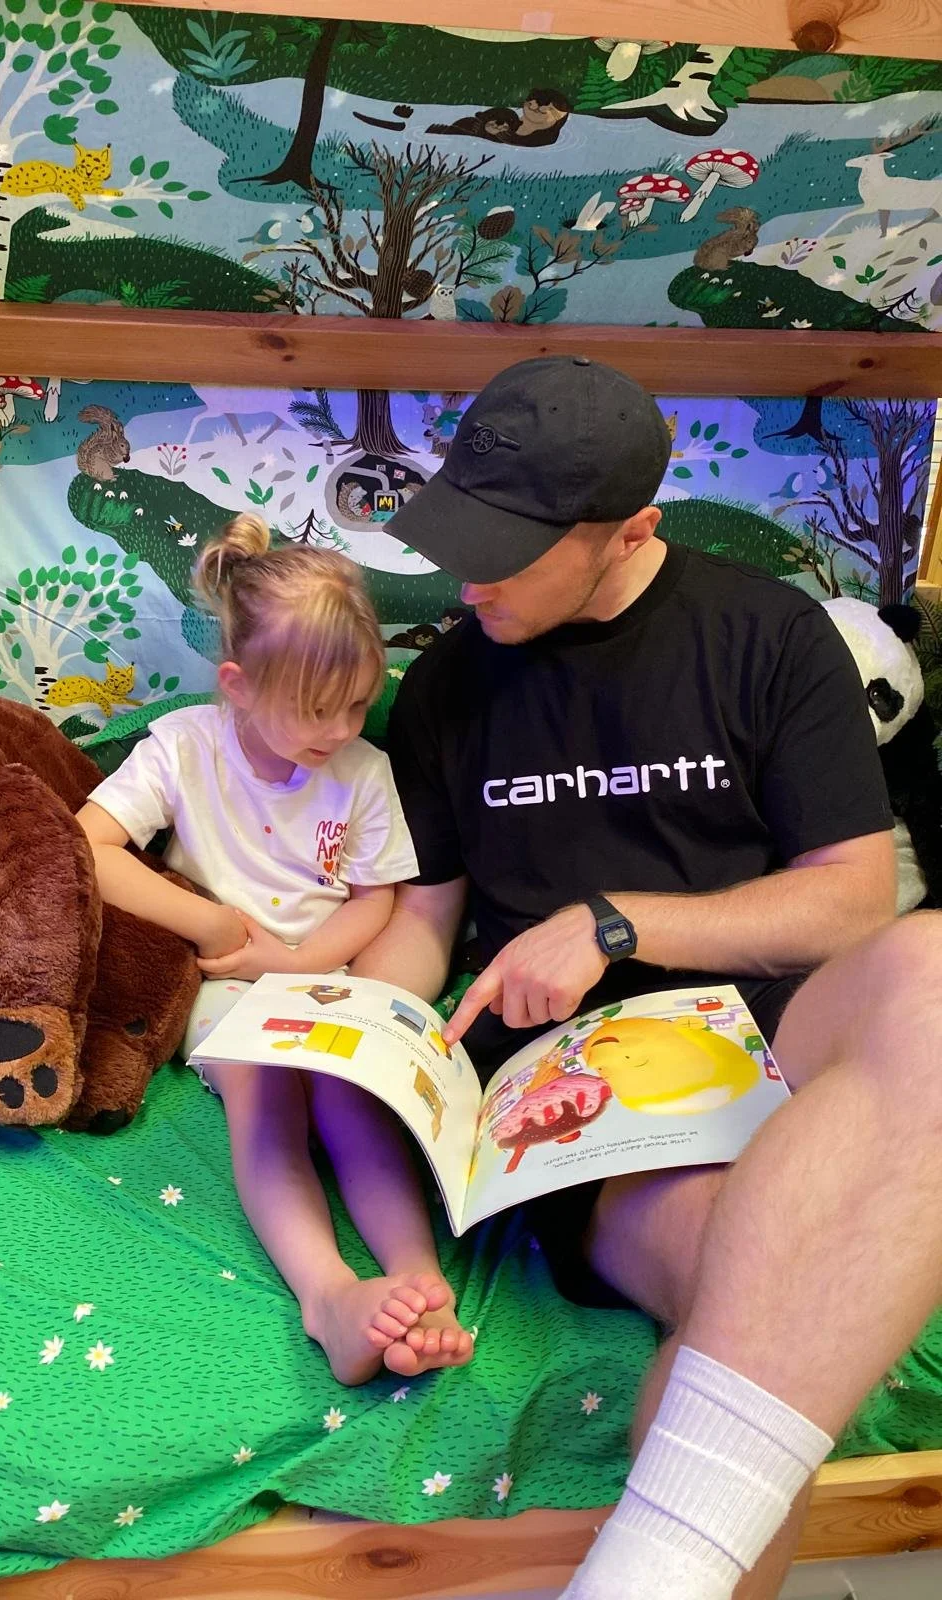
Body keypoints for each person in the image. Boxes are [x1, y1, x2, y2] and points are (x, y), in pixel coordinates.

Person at [352, 354, 942, 1599]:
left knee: (934, 961)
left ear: (631, 530)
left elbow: (852, 899)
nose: (468, 581)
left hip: (771, 1020)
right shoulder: (449, 684)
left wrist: (613, 925)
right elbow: (426, 919)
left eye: (507, 553)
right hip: (582, 1082)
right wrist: (365, 1033)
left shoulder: (769, 632)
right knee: (750, 1275)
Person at [76, 513, 473, 1385]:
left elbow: (374, 902)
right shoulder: (184, 747)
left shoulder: (362, 771)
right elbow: (87, 847)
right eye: (316, 710)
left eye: (358, 704)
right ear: (239, 685)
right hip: (224, 984)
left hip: (322, 975)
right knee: (267, 1093)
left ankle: (419, 1284)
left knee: (351, 1094)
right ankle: (327, 1297)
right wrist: (216, 929)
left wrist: (294, 965)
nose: (341, 728)